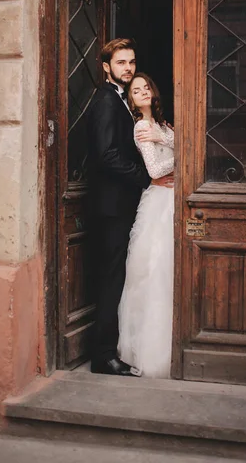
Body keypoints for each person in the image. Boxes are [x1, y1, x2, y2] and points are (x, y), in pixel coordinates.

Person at [86, 38, 173, 377]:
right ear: (106, 66)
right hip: (111, 207)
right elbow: (106, 155)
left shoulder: (124, 101)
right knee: (112, 278)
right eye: (121, 63)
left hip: (123, 204)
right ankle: (104, 355)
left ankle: (111, 348)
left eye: (131, 62)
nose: (128, 68)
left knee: (118, 276)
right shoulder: (106, 101)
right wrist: (146, 179)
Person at [118, 72, 174, 378]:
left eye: (145, 87)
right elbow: (154, 169)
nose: (141, 91)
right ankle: (152, 351)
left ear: (153, 92)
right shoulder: (141, 126)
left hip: (172, 198)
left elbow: (184, 143)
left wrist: (166, 138)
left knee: (169, 271)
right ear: (131, 98)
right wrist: (181, 156)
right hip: (158, 202)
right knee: (153, 271)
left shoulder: (162, 125)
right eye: (135, 89)